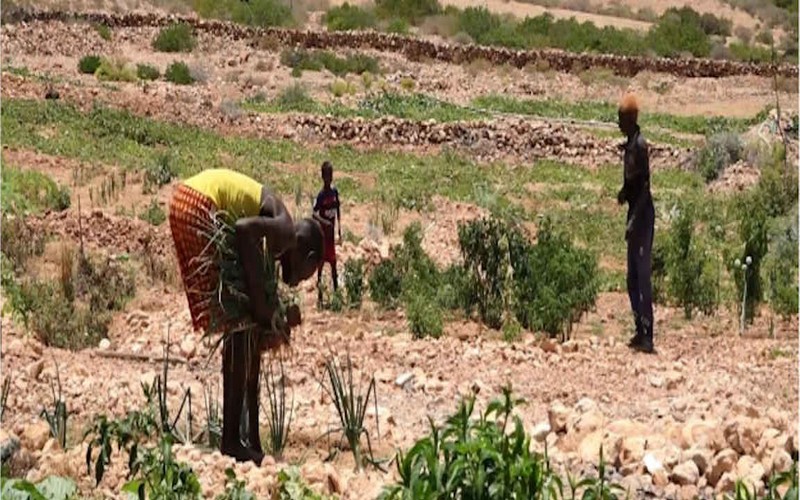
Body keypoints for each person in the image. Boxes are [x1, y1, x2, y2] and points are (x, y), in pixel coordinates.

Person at [168, 168, 327, 464]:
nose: (300, 281)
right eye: (309, 275)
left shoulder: (270, 245)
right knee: (240, 328)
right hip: (199, 205)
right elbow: (242, 229)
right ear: (308, 260)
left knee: (242, 329)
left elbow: (255, 340)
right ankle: (231, 440)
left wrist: (262, 311)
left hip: (184, 201)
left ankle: (245, 440)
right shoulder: (286, 232)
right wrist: (260, 305)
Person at [616, 93, 655, 354]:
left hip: (642, 216)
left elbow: (644, 187)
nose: (618, 123)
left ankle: (648, 334)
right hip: (634, 213)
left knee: (642, 277)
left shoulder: (640, 146)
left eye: (621, 118)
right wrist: (622, 192)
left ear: (630, 119)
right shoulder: (630, 144)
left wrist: (633, 221)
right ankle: (638, 330)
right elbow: (632, 183)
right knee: (631, 278)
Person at [313, 161, 342, 305]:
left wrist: (339, 229)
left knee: (334, 265)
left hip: (331, 237)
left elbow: (338, 209)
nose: (329, 178)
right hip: (323, 236)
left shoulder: (334, 192)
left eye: (331, 175)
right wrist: (325, 223)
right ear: (322, 176)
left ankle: (336, 296)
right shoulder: (321, 195)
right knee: (321, 265)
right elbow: (314, 214)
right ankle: (319, 296)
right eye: (326, 175)